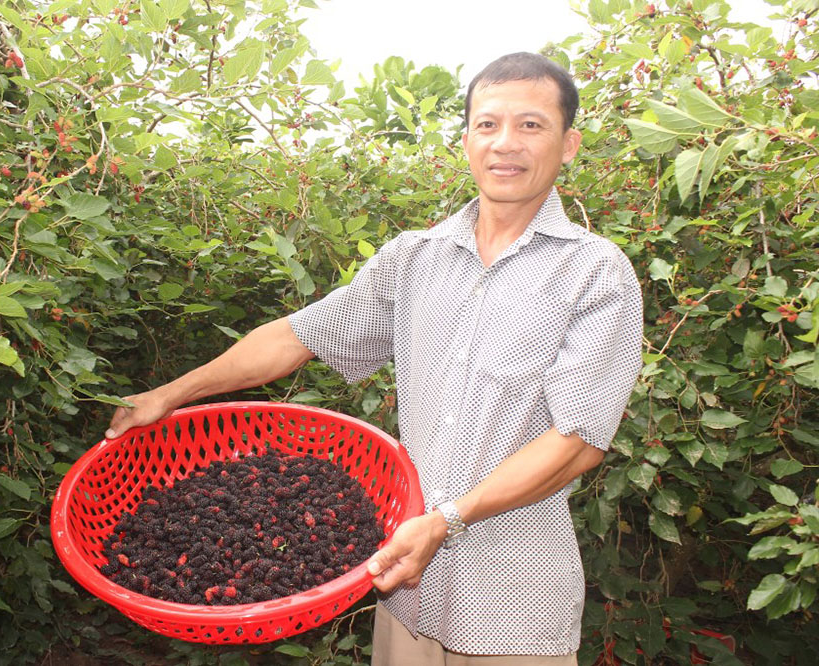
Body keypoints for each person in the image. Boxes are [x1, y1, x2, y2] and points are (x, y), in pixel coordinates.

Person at [105, 52, 643, 665]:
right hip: (406, 596)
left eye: (531, 125)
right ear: (465, 139)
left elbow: (577, 442)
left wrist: (447, 519)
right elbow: (295, 336)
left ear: (568, 144)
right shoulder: (414, 259)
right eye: (488, 124)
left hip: (513, 604)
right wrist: (171, 393)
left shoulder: (596, 273)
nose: (505, 144)